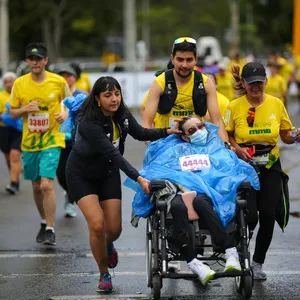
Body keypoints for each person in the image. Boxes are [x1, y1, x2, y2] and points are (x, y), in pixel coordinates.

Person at [65, 76, 181, 293]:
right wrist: (139, 178)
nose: (114, 99)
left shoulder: (123, 115)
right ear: (98, 99)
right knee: (97, 225)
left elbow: (141, 133)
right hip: (81, 175)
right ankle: (104, 274)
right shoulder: (89, 122)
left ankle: (107, 245)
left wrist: (168, 131)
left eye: (117, 93)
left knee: (114, 230)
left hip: (107, 173)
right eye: (108, 95)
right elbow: (112, 153)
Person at [128, 115, 259, 286]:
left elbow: (230, 171)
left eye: (201, 126)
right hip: (179, 194)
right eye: (192, 130)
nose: (199, 131)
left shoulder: (216, 149)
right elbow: (156, 170)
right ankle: (194, 263)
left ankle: (230, 251)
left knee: (200, 202)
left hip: (208, 195)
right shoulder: (173, 150)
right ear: (184, 136)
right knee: (176, 206)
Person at [225, 61, 300, 280]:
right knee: (249, 218)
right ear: (244, 84)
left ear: (266, 82)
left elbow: (285, 134)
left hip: (270, 165)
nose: (256, 87)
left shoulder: (276, 104)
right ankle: (240, 252)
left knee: (268, 215)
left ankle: (257, 263)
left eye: (259, 82)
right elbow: (227, 134)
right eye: (251, 83)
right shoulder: (234, 106)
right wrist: (237, 150)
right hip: (244, 165)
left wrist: (295, 135)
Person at [10, 42, 71, 246]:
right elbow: (12, 112)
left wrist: (64, 114)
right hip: (30, 141)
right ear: (27, 61)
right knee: (36, 186)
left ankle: (51, 229)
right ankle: (44, 223)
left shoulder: (58, 81)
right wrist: (25, 109)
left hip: (52, 138)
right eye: (31, 59)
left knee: (46, 184)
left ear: (45, 61)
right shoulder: (19, 84)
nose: (35, 62)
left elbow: (71, 104)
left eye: (38, 59)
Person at [143, 37, 229, 144]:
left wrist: (227, 146)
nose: (184, 65)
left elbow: (217, 121)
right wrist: (152, 147)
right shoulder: (160, 83)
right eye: (180, 59)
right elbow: (147, 122)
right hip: (165, 144)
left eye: (189, 60)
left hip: (196, 143)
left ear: (196, 59)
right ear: (172, 59)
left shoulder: (206, 83)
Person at [57, 65, 88, 217]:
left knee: (73, 173)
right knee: (60, 175)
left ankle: (70, 200)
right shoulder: (56, 94)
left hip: (76, 141)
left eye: (68, 75)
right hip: (57, 140)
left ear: (74, 78)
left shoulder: (81, 95)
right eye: (62, 75)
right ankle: (69, 193)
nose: (65, 78)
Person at [0, 72, 22, 194]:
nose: (9, 84)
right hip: (4, 130)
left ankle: (14, 183)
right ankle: (15, 177)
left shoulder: (20, 94)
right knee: (8, 156)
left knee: (15, 155)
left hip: (19, 130)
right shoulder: (0, 96)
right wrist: (5, 117)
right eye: (6, 82)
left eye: (11, 81)